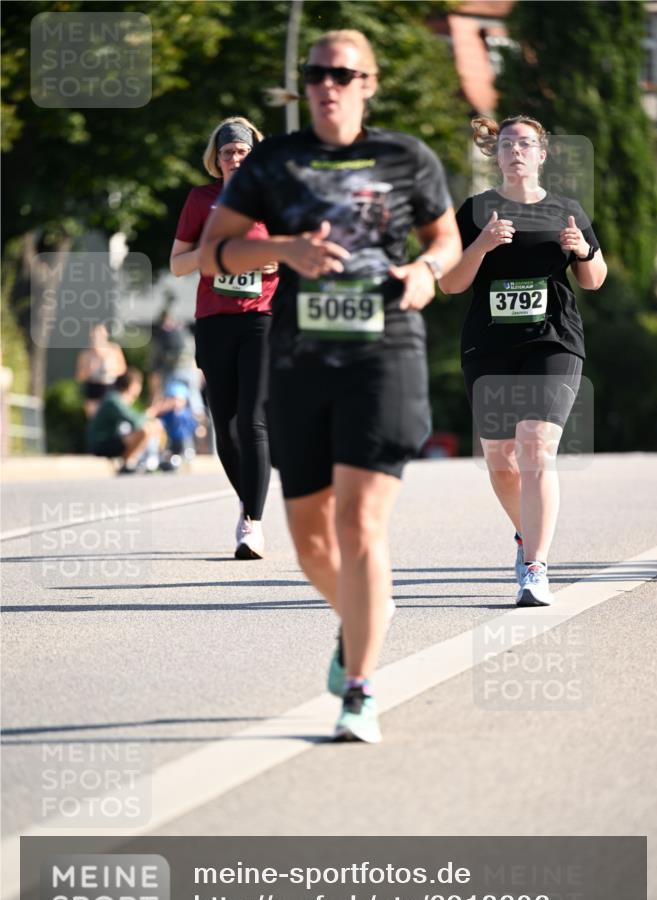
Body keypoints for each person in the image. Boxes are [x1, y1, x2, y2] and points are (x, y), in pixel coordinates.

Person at [198, 30, 461, 742]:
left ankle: (359, 689)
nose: (328, 83)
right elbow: (213, 251)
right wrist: (282, 248)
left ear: (368, 82)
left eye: (344, 73)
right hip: (298, 355)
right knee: (311, 538)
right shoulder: (274, 163)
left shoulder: (407, 157)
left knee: (358, 523)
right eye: (317, 72)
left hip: (385, 349)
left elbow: (445, 239)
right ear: (306, 85)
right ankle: (361, 614)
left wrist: (425, 271)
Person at [440, 115, 607, 606]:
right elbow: (450, 283)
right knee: (501, 457)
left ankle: (534, 566)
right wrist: (481, 245)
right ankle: (525, 534)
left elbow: (594, 278)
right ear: (497, 155)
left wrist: (581, 251)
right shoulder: (474, 211)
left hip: (552, 339)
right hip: (489, 345)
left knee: (535, 445)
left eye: (526, 144)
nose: (516, 150)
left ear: (542, 154)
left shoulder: (565, 210)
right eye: (508, 143)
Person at [170, 117, 279, 559]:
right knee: (226, 425)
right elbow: (178, 264)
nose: (235, 159)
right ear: (216, 160)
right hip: (214, 319)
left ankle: (252, 523)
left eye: (242, 152)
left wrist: (277, 261)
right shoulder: (202, 200)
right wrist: (212, 255)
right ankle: (246, 498)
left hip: (262, 318)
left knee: (251, 419)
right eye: (227, 152)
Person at [87, 368, 163, 473]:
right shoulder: (114, 400)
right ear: (132, 386)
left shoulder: (120, 399)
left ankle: (149, 459)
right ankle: (128, 463)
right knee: (145, 431)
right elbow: (136, 422)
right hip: (102, 444)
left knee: (152, 426)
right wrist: (150, 413)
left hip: (113, 439)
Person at [75, 323, 127, 417]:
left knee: (110, 417)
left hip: (110, 387)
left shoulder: (114, 349)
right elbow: (79, 377)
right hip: (93, 389)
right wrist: (89, 370)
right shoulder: (86, 353)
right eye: (95, 335)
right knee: (94, 418)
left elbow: (123, 368)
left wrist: (111, 370)